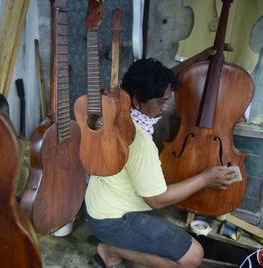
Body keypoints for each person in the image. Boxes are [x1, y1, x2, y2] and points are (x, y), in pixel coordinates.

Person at [84, 50, 238, 268]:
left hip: (94, 209)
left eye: (167, 100)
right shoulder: (139, 141)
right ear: (138, 101)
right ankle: (111, 249)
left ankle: (112, 243)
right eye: (161, 102)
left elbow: (156, 87)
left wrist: (198, 57)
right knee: (194, 257)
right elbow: (156, 200)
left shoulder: (116, 104)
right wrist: (205, 178)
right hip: (113, 221)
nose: (165, 108)